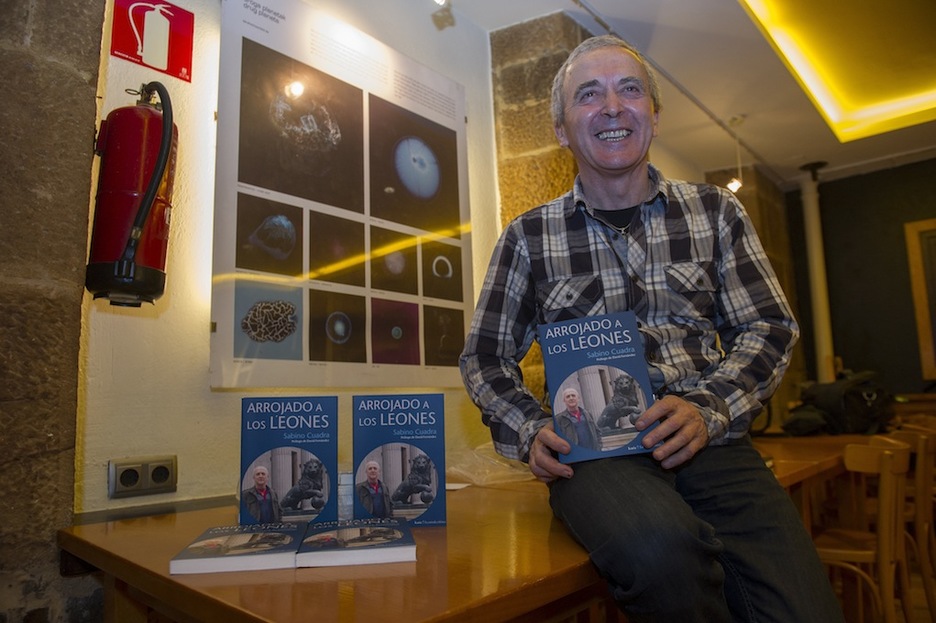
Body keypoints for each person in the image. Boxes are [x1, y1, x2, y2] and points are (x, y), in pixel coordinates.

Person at [460, 34, 844, 623]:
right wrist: (531, 429)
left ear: (654, 116)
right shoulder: (527, 237)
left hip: (709, 438)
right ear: (563, 129)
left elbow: (768, 325)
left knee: (807, 612)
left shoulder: (715, 212)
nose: (612, 106)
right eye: (589, 95)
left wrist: (708, 405)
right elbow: (485, 357)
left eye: (629, 89)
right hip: (597, 459)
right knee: (660, 551)